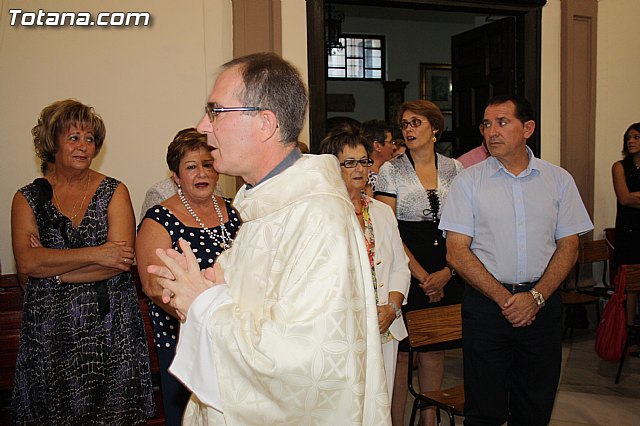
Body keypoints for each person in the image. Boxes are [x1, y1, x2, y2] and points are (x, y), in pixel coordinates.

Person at [147, 53, 390, 425]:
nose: (203, 126)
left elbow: (305, 366)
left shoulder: (318, 217)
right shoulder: (267, 206)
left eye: (215, 112)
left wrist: (204, 303)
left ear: (264, 123)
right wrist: (203, 289)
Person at [439, 95, 593, 425]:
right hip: (486, 308)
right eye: (486, 124)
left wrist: (535, 298)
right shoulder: (468, 181)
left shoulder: (558, 180)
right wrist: (506, 300)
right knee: (484, 409)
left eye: (502, 122)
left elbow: (569, 245)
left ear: (528, 128)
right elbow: (456, 251)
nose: (491, 131)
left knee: (535, 405)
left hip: (543, 305)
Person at [10, 99, 154, 424]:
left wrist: (55, 271)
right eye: (74, 137)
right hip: (50, 332)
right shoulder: (28, 198)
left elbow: (120, 261)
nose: (84, 146)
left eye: (89, 139)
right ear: (52, 142)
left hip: (111, 327)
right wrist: (97, 252)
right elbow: (28, 263)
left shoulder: (114, 191)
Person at [136, 128, 241, 425]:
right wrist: (203, 317)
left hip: (235, 335)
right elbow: (153, 286)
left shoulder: (235, 211)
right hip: (184, 339)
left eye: (208, 164)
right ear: (176, 176)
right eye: (191, 167)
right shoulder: (159, 218)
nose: (202, 173)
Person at [375, 99, 464, 426]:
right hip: (407, 268)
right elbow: (388, 229)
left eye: (416, 123)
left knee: (435, 348)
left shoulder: (456, 169)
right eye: (405, 125)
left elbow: (466, 226)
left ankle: (429, 420)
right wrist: (425, 277)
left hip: (448, 264)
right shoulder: (391, 170)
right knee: (401, 355)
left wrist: (448, 272)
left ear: (435, 128)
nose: (409, 130)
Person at [319, 123, 410, 401]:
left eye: (363, 161)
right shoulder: (321, 215)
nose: (359, 169)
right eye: (349, 163)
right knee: (347, 404)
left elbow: (400, 266)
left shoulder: (381, 211)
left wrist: (392, 307)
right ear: (331, 168)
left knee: (381, 400)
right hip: (340, 329)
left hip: (384, 324)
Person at [612, 122, 640, 355]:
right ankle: (629, 336)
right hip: (628, 233)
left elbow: (632, 198)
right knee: (630, 285)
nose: (631, 141)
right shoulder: (620, 167)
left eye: (636, 137)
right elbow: (624, 198)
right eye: (628, 137)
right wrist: (631, 197)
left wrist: (634, 196)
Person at [362, 119, 394, 193]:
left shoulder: (390, 172)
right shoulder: (365, 178)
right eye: (390, 142)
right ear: (377, 146)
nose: (394, 147)